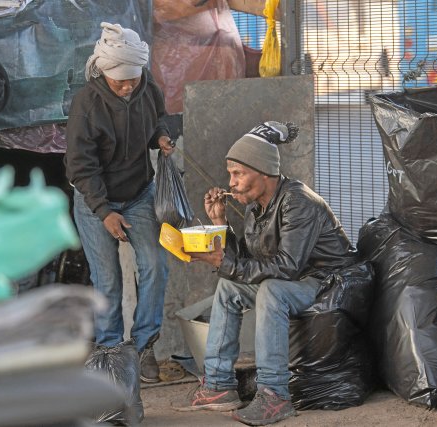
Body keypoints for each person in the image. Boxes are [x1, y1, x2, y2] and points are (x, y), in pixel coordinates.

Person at [176, 121, 357, 425]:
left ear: (263, 173)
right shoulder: (255, 208)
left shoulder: (298, 201)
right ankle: (219, 386)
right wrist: (221, 224)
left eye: (238, 174)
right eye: (230, 174)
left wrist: (223, 263)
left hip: (328, 281)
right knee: (228, 288)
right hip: (296, 279)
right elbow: (248, 261)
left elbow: (286, 267)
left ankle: (274, 396)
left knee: (272, 288)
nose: (230, 183)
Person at [65, 22, 174, 383]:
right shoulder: (87, 103)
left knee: (155, 265)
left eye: (133, 78)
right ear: (104, 71)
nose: (128, 86)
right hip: (95, 198)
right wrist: (104, 212)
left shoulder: (146, 86)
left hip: (139, 192)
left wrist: (161, 135)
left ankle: (142, 349)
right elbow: (80, 166)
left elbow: (160, 117)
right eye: (120, 81)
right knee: (108, 281)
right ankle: (112, 356)